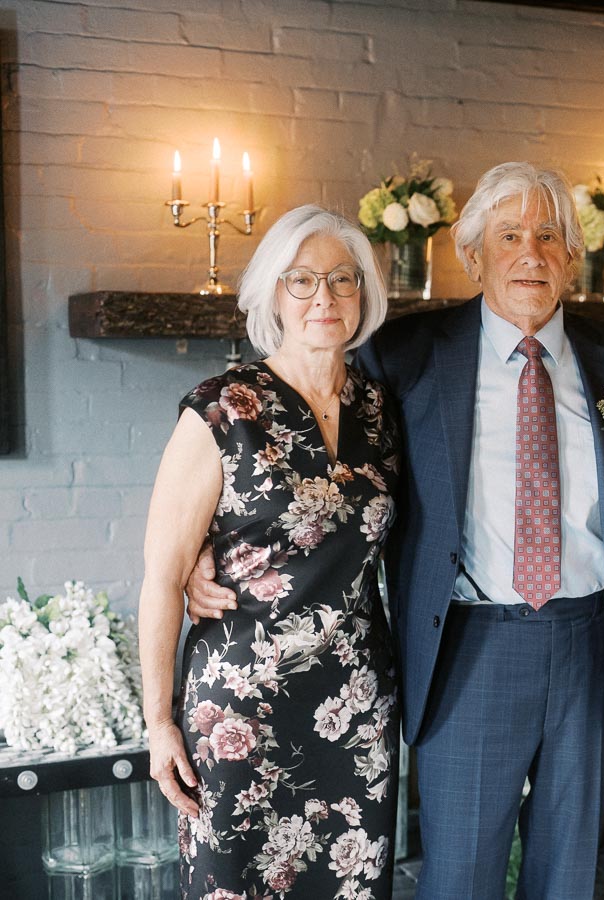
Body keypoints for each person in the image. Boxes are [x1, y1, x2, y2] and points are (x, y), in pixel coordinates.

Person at [193, 162, 604, 898]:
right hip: (468, 651)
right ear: (472, 256)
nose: (530, 254)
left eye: (548, 236)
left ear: (574, 255)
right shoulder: (406, 354)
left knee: (571, 876)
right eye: (508, 236)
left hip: (590, 643)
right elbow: (305, 458)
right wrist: (201, 551)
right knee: (460, 880)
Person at [139, 204, 401, 897]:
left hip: (355, 708)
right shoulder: (222, 410)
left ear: (364, 295)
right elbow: (163, 578)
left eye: (343, 280)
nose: (325, 298)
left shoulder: (381, 409)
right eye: (303, 280)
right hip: (240, 712)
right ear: (272, 295)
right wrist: (158, 722)